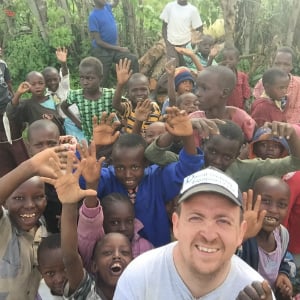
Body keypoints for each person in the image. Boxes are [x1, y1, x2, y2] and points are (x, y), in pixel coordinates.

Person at [113, 167, 275, 299]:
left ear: (241, 232)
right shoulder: (140, 277)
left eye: (223, 221)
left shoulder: (256, 292)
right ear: (176, 225)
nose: (209, 235)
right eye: (196, 218)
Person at [81, 108, 205, 247]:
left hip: (154, 256)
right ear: (112, 163)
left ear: (145, 163)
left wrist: (188, 136)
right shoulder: (108, 178)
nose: (128, 175)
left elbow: (187, 169)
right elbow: (82, 179)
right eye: (120, 168)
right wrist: (96, 146)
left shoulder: (156, 178)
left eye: (135, 167)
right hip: (115, 258)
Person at [43, 154, 133, 300]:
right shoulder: (86, 292)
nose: (117, 255)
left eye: (124, 252)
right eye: (107, 253)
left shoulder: (141, 292)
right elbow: (70, 257)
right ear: (94, 266)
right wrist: (69, 202)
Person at [145, 119, 300, 192]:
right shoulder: (189, 163)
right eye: (212, 152)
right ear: (204, 143)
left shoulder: (248, 169)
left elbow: (295, 162)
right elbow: (152, 154)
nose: (217, 161)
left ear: (238, 153)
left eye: (227, 157)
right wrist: (177, 130)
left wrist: (292, 135)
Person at [0, 146, 67, 299]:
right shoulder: (4, 226)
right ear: (4, 202)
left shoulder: (45, 231)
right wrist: (31, 166)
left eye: (38, 197)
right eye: (18, 198)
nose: (30, 205)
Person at [240, 176, 293, 299]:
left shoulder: (282, 235)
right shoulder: (242, 237)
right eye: (266, 201)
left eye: (282, 204)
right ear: (251, 202)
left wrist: (283, 274)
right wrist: (242, 235)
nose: (274, 210)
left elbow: (284, 260)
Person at [77, 189, 153, 272]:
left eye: (129, 221)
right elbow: (90, 220)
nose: (123, 228)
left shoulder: (145, 247)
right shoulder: (93, 247)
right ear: (102, 223)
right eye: (115, 222)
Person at [192, 65, 256, 142]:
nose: (197, 93)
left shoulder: (241, 119)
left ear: (224, 93)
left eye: (204, 88)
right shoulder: (194, 120)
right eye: (197, 88)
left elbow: (255, 142)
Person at [61, 56, 115, 142]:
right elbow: (63, 106)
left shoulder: (110, 94)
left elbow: (123, 107)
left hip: (110, 138)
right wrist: (78, 123)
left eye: (89, 78)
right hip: (90, 140)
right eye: (82, 78)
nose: (85, 82)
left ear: (100, 78)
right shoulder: (77, 95)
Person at [89, 0, 139, 87]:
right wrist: (119, 48)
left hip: (114, 49)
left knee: (132, 60)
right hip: (101, 51)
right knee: (102, 78)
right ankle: (97, 96)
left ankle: (134, 88)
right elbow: (98, 41)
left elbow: (115, 3)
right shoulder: (93, 16)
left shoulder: (107, 7)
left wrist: (117, 48)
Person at [42, 48, 85, 142]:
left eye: (55, 79)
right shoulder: (47, 96)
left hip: (79, 116)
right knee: (76, 142)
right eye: (48, 80)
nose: (52, 82)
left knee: (87, 139)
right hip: (67, 122)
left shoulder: (63, 86)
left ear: (59, 78)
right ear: (44, 82)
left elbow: (65, 73)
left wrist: (63, 63)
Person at [6, 71, 65, 135]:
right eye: (33, 84)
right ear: (27, 87)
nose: (37, 86)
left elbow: (62, 116)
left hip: (58, 136)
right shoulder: (26, 104)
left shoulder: (54, 98)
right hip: (39, 139)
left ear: (45, 85)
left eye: (41, 83)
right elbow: (10, 113)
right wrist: (18, 93)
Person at [112, 59, 161, 134]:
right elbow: (116, 105)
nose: (139, 93)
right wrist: (120, 84)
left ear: (149, 89)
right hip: (132, 143)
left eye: (143, 89)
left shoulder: (155, 107)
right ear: (128, 92)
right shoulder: (129, 107)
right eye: (134, 90)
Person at [253, 47, 300, 124]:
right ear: (272, 63)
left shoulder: (299, 84)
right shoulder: (263, 82)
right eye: (277, 63)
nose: (281, 67)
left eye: (286, 64)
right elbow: (258, 110)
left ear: (292, 66)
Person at [0, 52, 28, 177]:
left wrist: (14, 98)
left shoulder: (2, 64)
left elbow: (8, 83)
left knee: (14, 138)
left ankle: (22, 172)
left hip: (7, 107)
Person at [160, 0, 203, 67]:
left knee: (186, 67)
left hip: (186, 44)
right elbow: (164, 26)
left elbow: (199, 28)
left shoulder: (193, 10)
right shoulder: (169, 7)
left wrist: (194, 44)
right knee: (173, 67)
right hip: (171, 43)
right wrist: (167, 42)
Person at [36, 234, 66, 299]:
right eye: (50, 273)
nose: (59, 280)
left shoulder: (88, 290)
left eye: (66, 270)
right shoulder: (40, 294)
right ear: (40, 271)